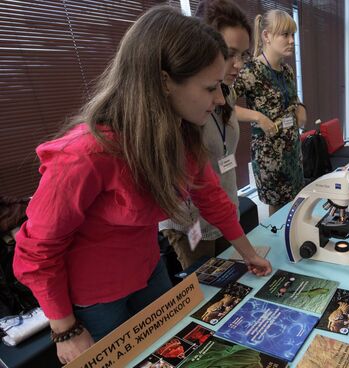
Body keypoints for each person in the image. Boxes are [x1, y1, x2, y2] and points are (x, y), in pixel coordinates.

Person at [12, 7, 271, 364]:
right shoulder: (85, 155)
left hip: (150, 271)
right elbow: (37, 250)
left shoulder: (182, 135)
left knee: (176, 350)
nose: (220, 100)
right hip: (98, 299)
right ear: (165, 82)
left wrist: (249, 252)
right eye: (210, 88)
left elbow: (210, 196)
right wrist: (66, 330)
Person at [159, 0, 253, 269]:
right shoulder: (182, 109)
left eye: (243, 56)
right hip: (192, 222)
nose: (237, 65)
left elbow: (211, 178)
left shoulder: (226, 92)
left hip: (223, 211)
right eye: (229, 53)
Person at [234, 9, 306, 215]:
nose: (292, 40)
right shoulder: (251, 70)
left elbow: (294, 100)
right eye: (285, 35)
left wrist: (301, 108)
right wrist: (257, 116)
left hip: (292, 150)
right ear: (266, 36)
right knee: (278, 210)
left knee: (295, 204)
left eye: (293, 35)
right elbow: (223, 105)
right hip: (269, 156)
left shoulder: (287, 71)